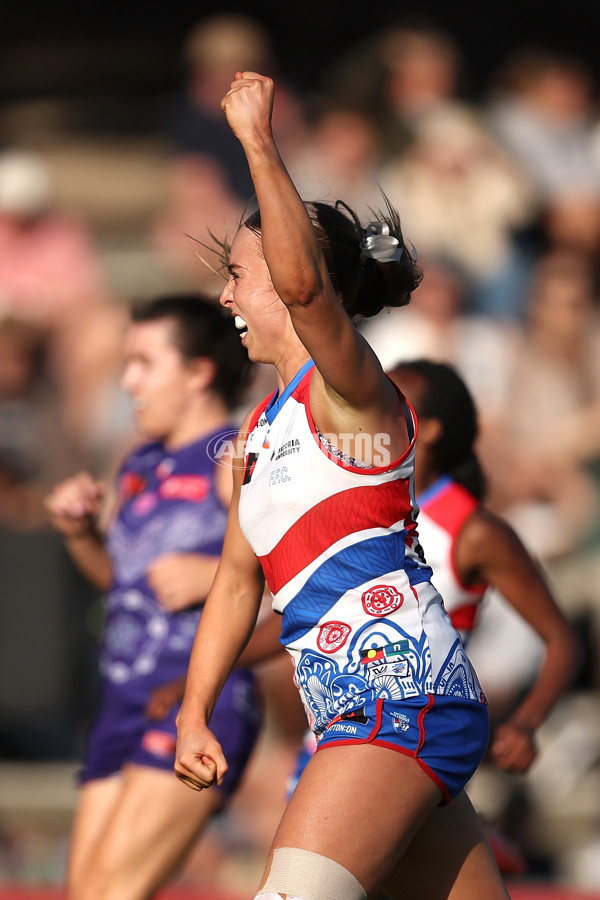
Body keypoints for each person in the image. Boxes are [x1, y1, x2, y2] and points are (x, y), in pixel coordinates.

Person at [175, 71, 510, 900]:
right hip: (360, 709)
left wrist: (258, 142)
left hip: (397, 697)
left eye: (239, 273)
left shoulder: (349, 388)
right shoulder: (257, 431)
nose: (226, 295)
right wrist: (195, 709)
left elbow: (301, 287)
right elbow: (234, 583)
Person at [45, 294, 261, 900]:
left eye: (143, 362)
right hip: (122, 700)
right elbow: (122, 580)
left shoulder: (234, 454)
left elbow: (285, 575)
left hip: (195, 699)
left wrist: (212, 572)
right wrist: (80, 532)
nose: (127, 381)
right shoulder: (138, 462)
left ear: (198, 372)